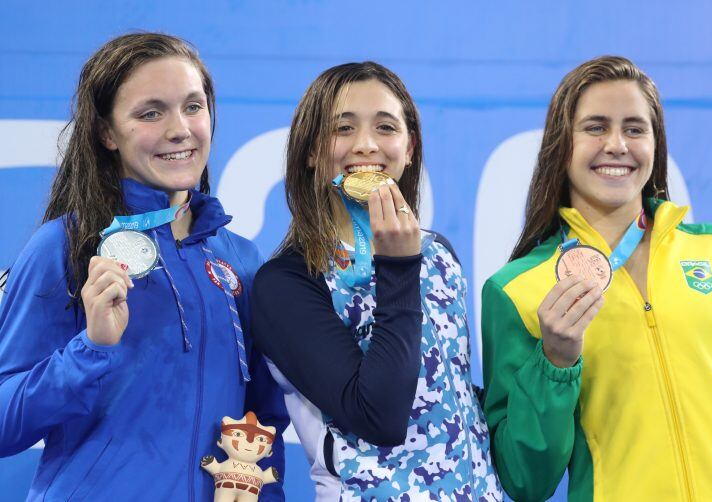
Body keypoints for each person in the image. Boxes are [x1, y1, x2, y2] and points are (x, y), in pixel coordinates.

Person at [0, 33, 287, 501]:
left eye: (193, 107)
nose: (180, 129)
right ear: (107, 133)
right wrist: (89, 348)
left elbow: (262, 419)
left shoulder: (240, 260)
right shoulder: (63, 248)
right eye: (151, 113)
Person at [482, 55, 712, 501]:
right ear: (563, 144)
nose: (617, 144)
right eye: (596, 127)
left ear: (656, 145)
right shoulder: (518, 290)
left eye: (634, 129)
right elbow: (523, 479)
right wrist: (554, 362)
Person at [250, 61, 502, 501]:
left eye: (386, 127)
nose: (366, 145)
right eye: (342, 129)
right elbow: (380, 417)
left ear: (409, 148)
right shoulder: (287, 283)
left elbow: (457, 400)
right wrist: (399, 271)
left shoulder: (440, 253)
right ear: (311, 150)